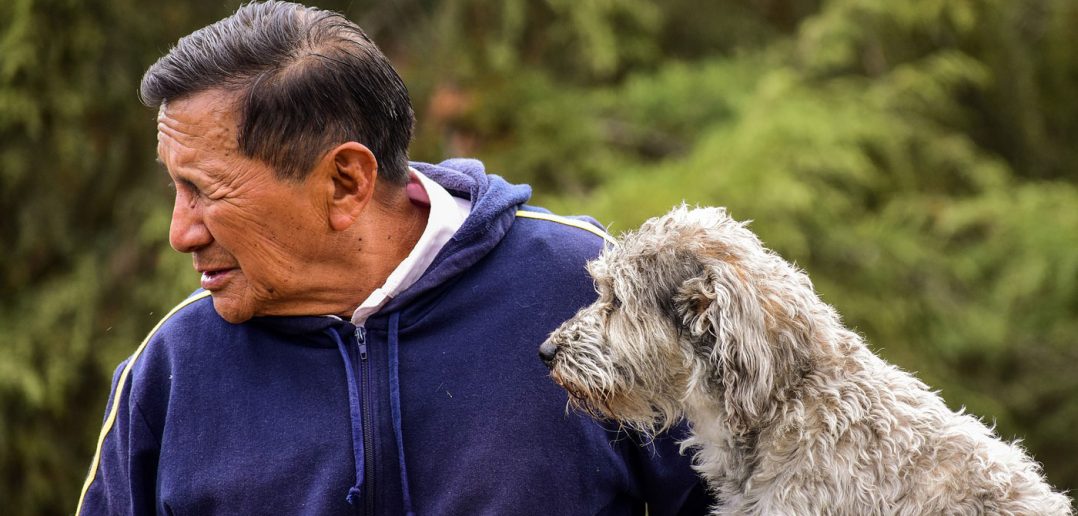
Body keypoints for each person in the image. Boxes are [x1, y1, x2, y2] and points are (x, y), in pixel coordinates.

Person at [76, 2, 710, 514]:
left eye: (206, 192)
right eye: (175, 187)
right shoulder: (173, 366)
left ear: (347, 182)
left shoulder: (590, 290)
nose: (179, 233)